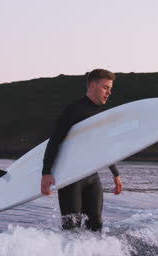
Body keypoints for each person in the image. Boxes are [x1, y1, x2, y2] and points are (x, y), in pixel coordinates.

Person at [40, 69, 123, 232]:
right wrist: (46, 172)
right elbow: (55, 141)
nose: (109, 92)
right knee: (72, 227)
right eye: (105, 87)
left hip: (92, 176)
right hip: (71, 178)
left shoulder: (98, 114)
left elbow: (101, 146)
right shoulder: (74, 110)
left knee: (96, 224)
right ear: (93, 85)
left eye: (110, 88)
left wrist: (116, 174)